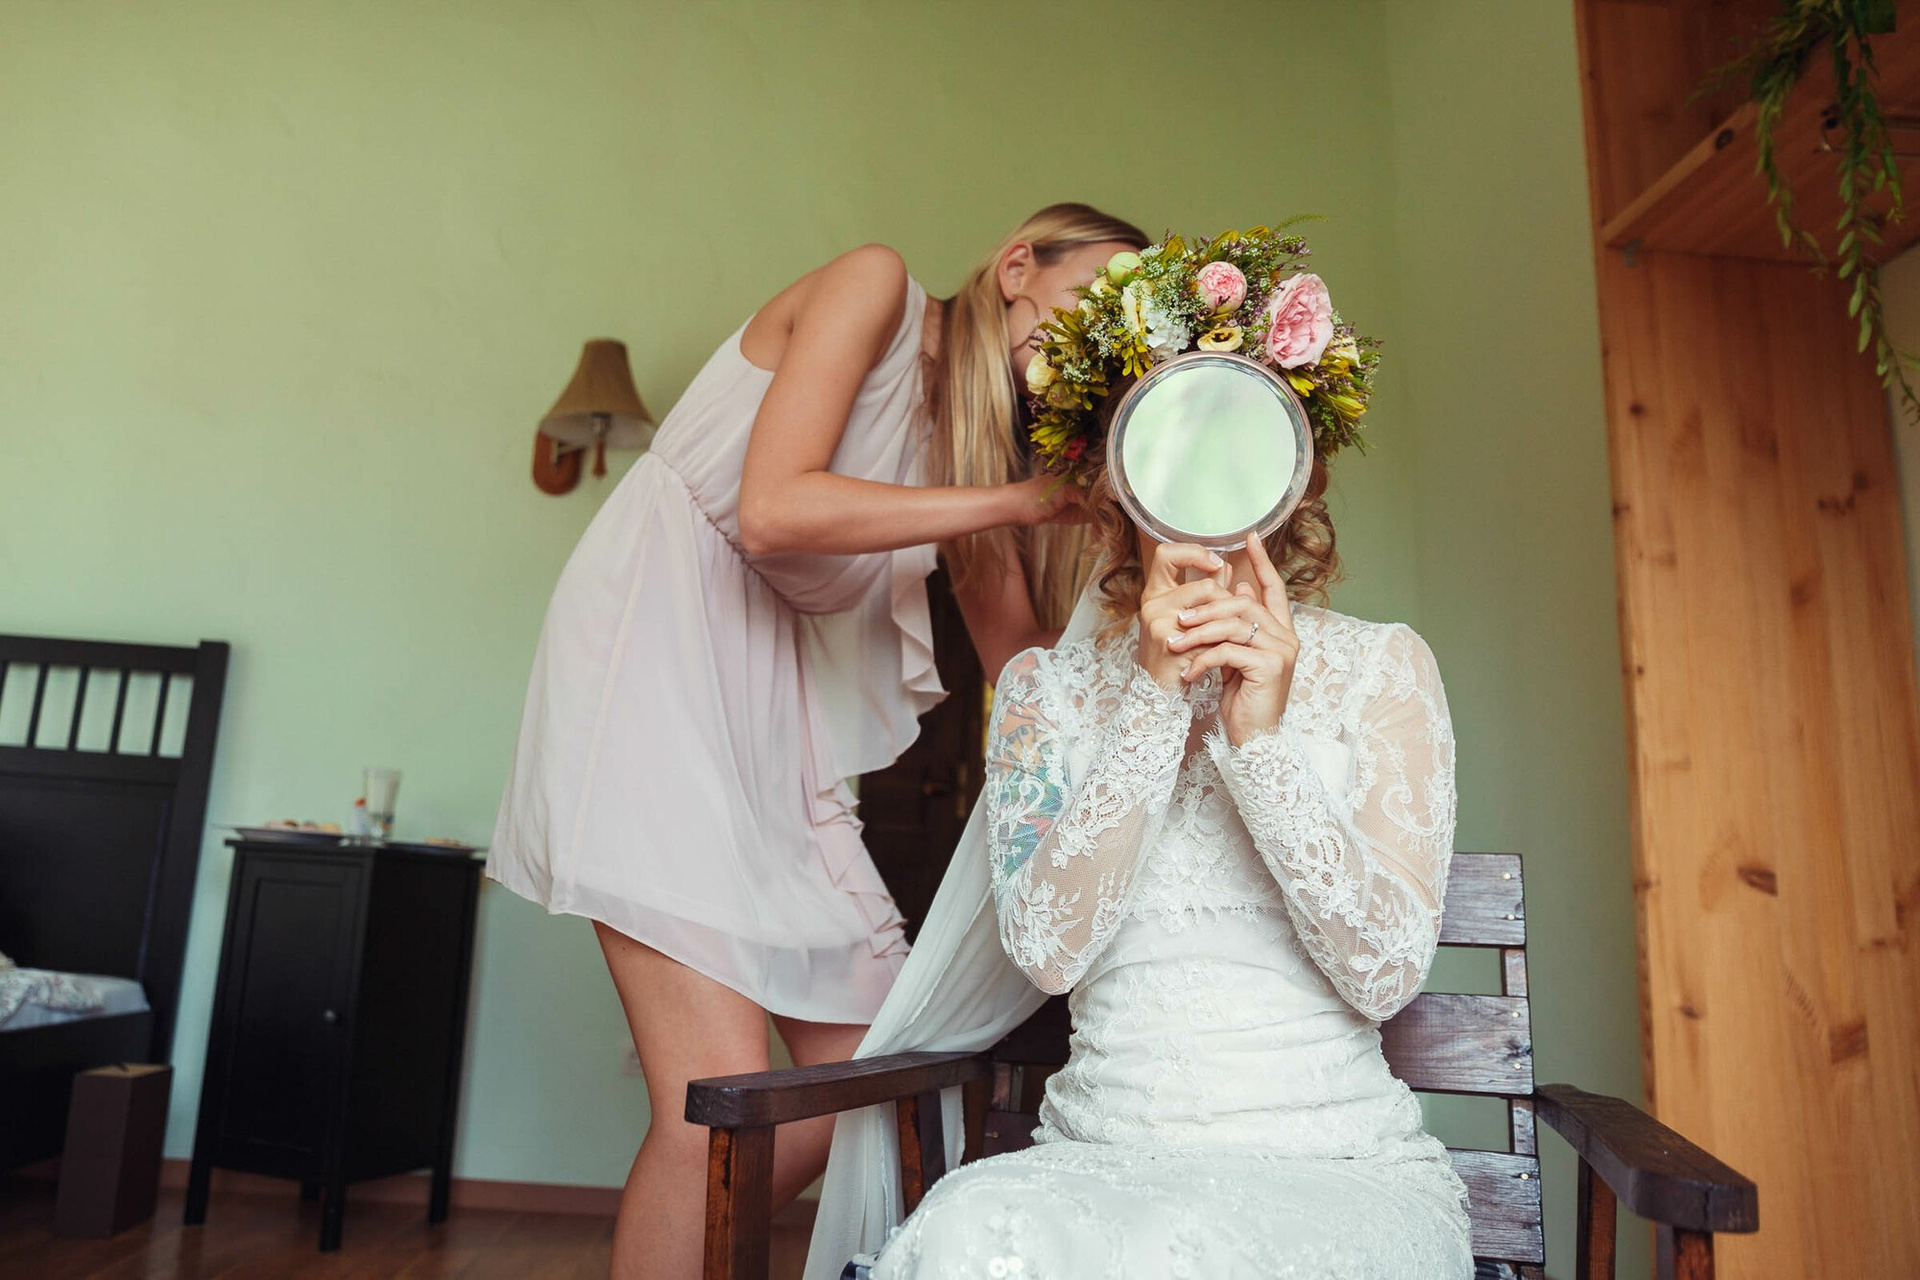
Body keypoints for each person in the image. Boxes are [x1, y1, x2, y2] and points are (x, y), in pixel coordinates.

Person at [488, 203, 1148, 1279]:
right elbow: (774, 510)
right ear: (1019, 263)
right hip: (657, 650)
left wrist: (1163, 655)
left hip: (772, 712)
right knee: (711, 1097)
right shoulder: (874, 286)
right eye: (1086, 302)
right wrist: (1026, 502)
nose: (1086, 341)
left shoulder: (975, 452)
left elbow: (1020, 658)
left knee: (876, 1066)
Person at [865, 481, 1475, 1275]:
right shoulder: (1039, 689)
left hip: (1332, 1163)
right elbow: (1048, 955)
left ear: (1297, 471)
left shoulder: (1384, 667)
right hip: (1096, 1159)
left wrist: (1259, 745)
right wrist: (1151, 703)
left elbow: (1386, 974)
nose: (1205, 493)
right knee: (965, 1237)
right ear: (1119, 484)